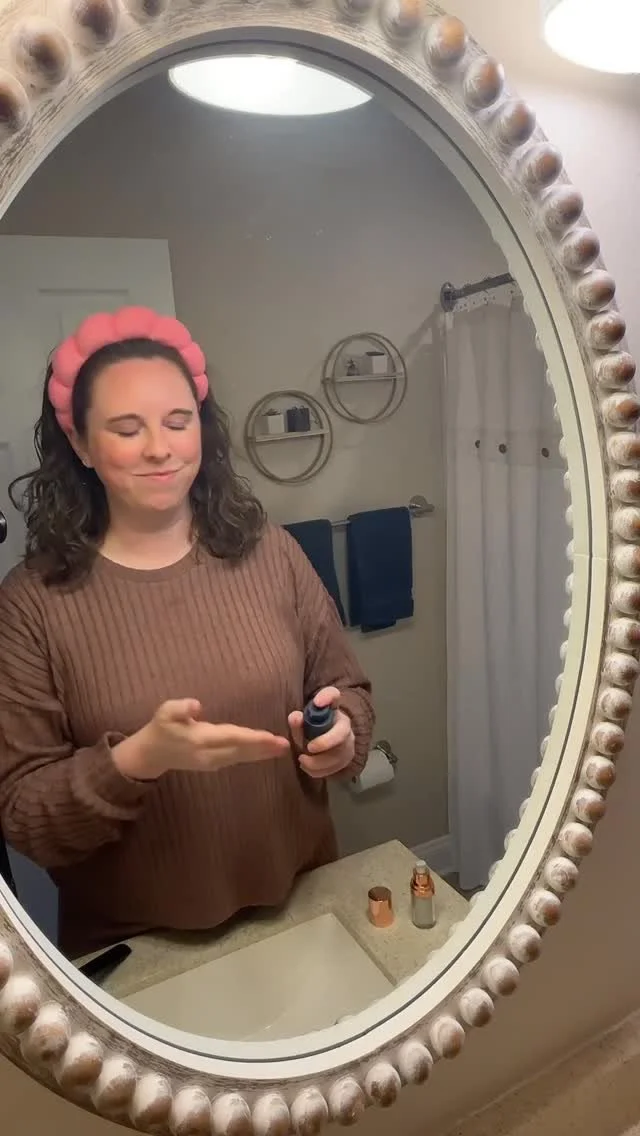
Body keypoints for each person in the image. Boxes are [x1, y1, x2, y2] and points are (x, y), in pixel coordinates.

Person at [0, 306, 374, 957]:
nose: (160, 447)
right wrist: (135, 761)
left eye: (178, 421)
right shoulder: (30, 605)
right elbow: (24, 815)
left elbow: (348, 690)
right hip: (137, 950)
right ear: (81, 446)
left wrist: (342, 734)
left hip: (303, 901)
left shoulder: (272, 552)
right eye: (127, 428)